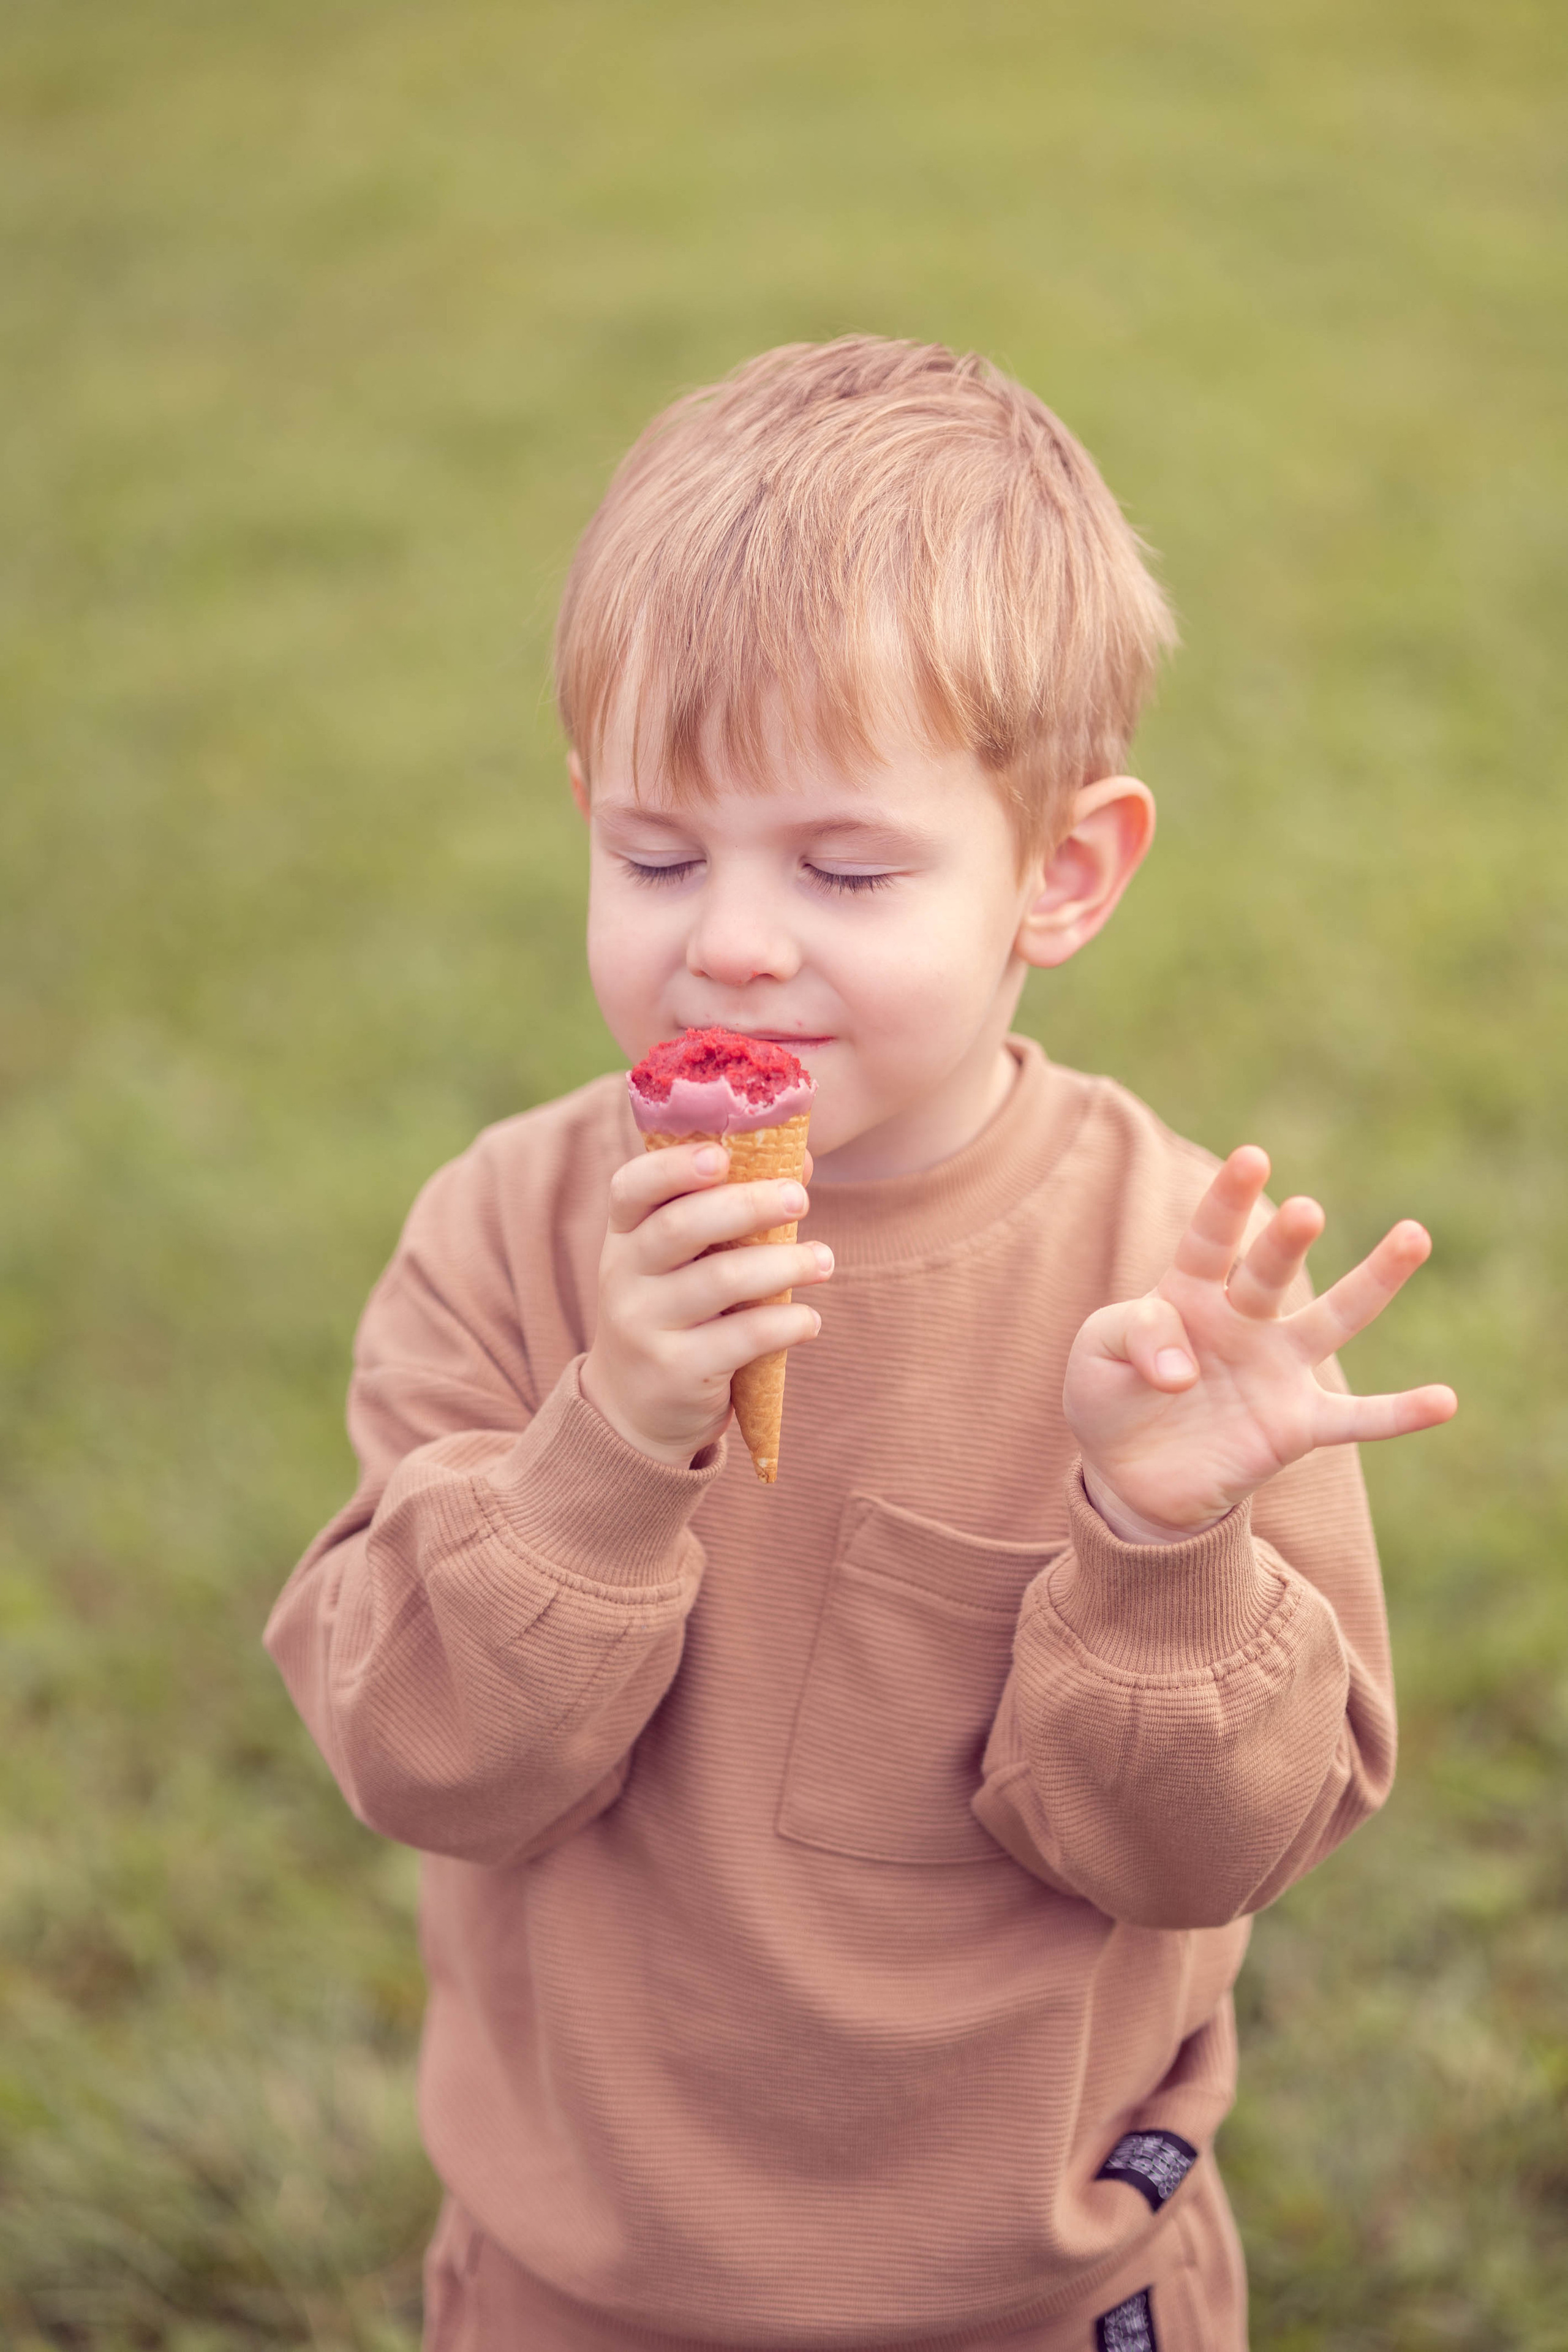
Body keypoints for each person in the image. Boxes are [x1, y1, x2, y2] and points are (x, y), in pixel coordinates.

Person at [265, 337, 1456, 2352]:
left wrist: (1164, 1546)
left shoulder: (1185, 1295)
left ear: (1060, 875)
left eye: (842, 867)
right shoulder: (507, 1236)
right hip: (587, 2286)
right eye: (656, 855)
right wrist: (605, 1443)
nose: (728, 940)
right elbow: (422, 1761)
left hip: (1042, 2292)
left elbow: (1209, 1856)